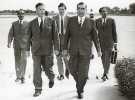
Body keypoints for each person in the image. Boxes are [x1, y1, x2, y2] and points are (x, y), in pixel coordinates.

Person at [63, 2, 101, 99]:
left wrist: (98, 50)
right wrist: (64, 49)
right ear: (77, 10)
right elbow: (66, 36)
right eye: (79, 8)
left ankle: (80, 90)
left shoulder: (91, 22)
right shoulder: (71, 20)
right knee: (71, 69)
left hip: (86, 51)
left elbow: (95, 38)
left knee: (83, 74)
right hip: (73, 51)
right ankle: (79, 83)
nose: (81, 10)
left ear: (86, 10)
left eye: (83, 8)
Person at [27, 3, 59, 97]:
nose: (42, 11)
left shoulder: (51, 21)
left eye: (43, 9)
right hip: (36, 50)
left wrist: (56, 48)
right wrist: (27, 50)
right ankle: (38, 88)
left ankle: (51, 78)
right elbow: (28, 37)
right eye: (40, 9)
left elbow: (56, 37)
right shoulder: (31, 23)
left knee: (48, 69)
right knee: (36, 69)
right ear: (36, 11)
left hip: (48, 50)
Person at [95, 7, 117, 81]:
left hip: (110, 42)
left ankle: (105, 74)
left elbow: (114, 32)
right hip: (100, 43)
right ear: (100, 13)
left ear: (107, 12)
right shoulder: (97, 21)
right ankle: (106, 72)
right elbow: (94, 32)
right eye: (103, 11)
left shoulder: (111, 20)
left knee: (107, 58)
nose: (104, 13)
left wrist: (115, 43)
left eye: (106, 11)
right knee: (103, 58)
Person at [7, 9, 29, 84]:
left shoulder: (28, 24)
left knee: (24, 60)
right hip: (16, 46)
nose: (21, 15)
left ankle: (23, 76)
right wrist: (9, 42)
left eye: (22, 14)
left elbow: (31, 35)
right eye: (19, 14)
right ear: (17, 15)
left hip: (25, 46)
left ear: (24, 15)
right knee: (17, 61)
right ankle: (18, 77)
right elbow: (10, 34)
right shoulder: (14, 24)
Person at [53, 2, 70, 80]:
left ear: (65, 10)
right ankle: (61, 74)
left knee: (66, 58)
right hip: (57, 42)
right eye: (60, 9)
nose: (61, 11)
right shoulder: (54, 18)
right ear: (58, 10)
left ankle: (68, 71)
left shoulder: (69, 19)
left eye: (63, 9)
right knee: (58, 59)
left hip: (66, 42)